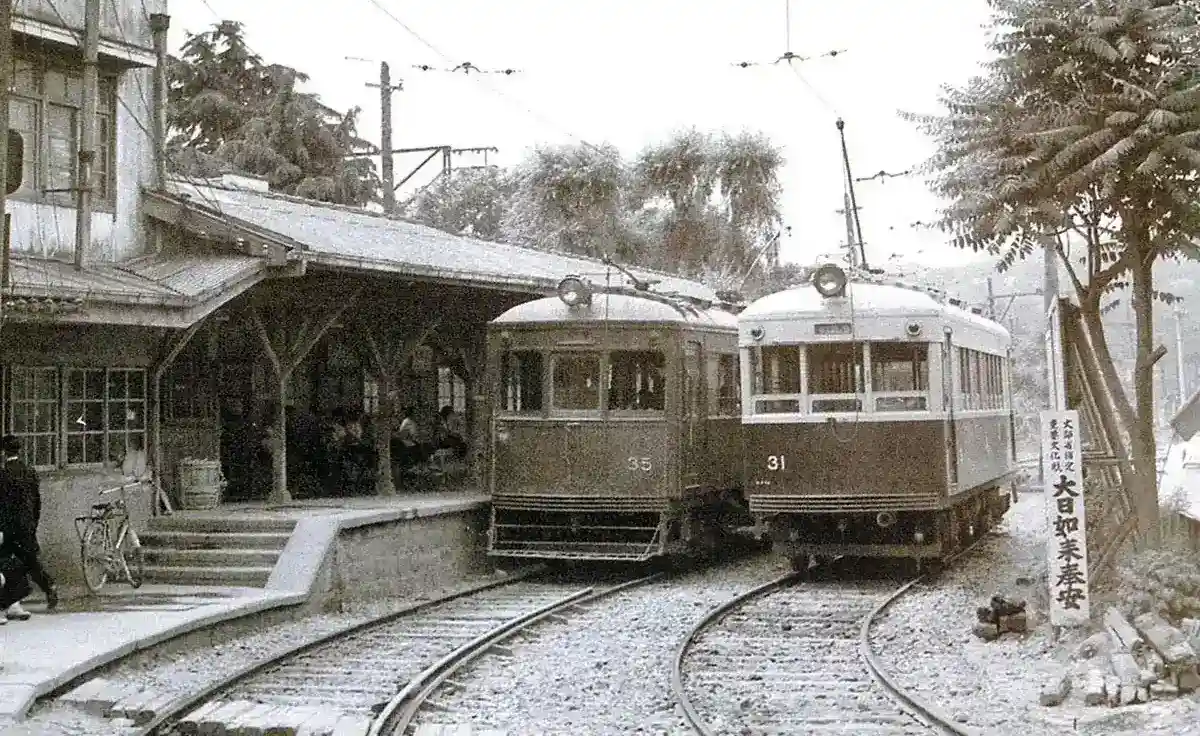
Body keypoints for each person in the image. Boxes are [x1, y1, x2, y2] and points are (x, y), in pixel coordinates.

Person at [0, 435, 55, 618]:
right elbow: (37, 500)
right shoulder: (29, 471)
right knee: (31, 560)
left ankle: (12, 600)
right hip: (27, 524)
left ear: (4, 452)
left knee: (9, 563)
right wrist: (33, 522)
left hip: (9, 526)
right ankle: (48, 587)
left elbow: (3, 505)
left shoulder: (4, 474)